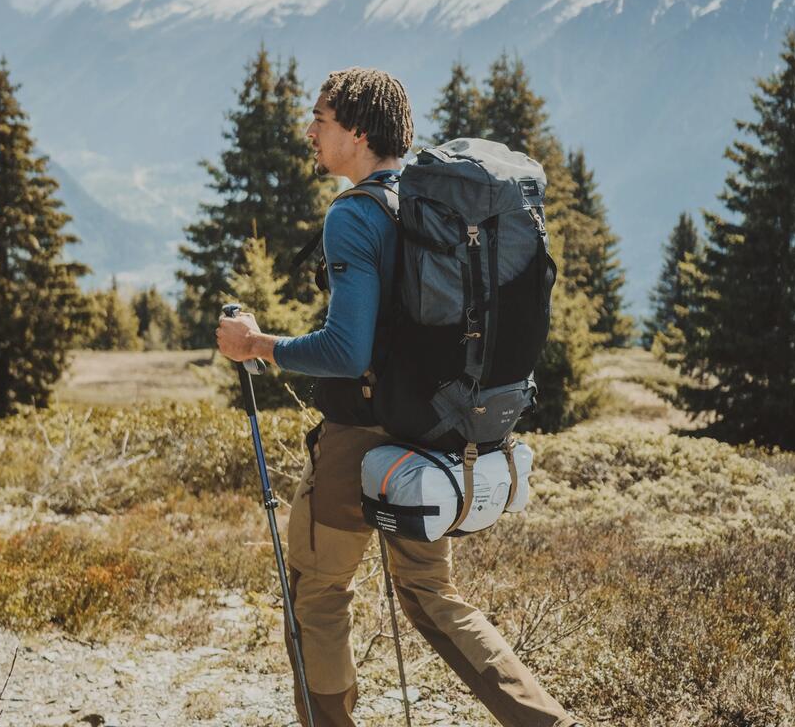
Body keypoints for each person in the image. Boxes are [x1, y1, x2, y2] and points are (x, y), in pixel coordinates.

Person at [217, 67, 580, 727]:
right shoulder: (421, 206)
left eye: (321, 120)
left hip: (360, 439)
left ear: (356, 132)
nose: (310, 131)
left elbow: (346, 352)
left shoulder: (354, 215)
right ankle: (543, 722)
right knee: (433, 593)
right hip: (429, 427)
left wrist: (257, 344)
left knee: (319, 590)